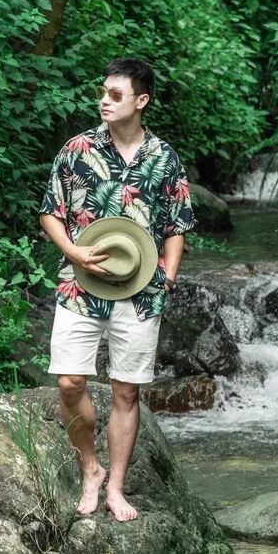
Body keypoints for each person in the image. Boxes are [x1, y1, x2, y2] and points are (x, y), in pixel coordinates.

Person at [38, 57, 196, 522]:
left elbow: (178, 224)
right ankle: (90, 467)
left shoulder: (164, 158)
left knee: (126, 393)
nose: (104, 101)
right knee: (69, 382)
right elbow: (50, 211)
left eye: (115, 94)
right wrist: (73, 252)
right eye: (102, 93)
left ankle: (116, 489)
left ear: (141, 101)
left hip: (141, 291)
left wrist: (168, 276)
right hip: (80, 284)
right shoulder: (77, 149)